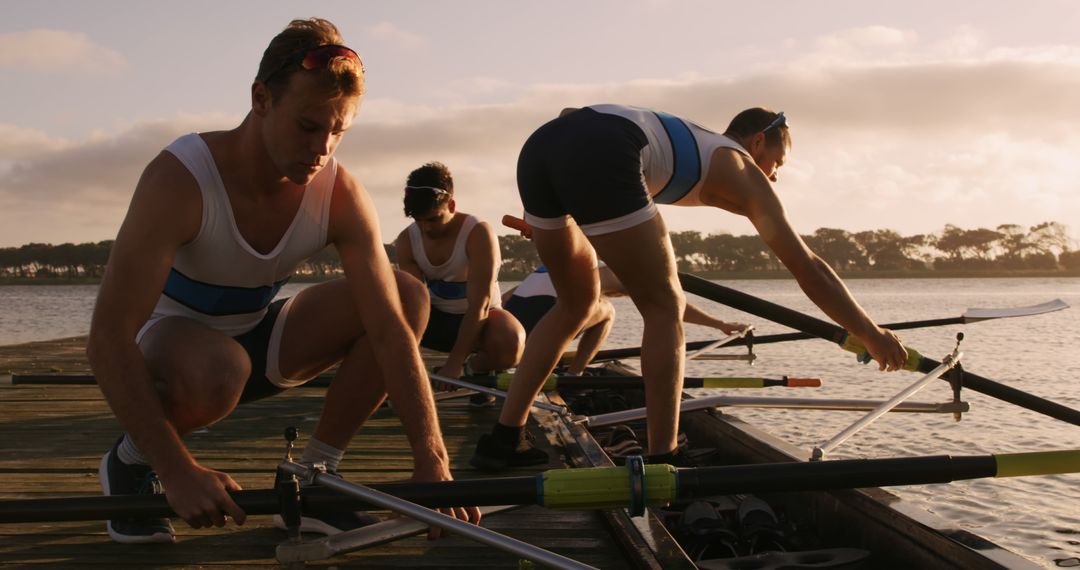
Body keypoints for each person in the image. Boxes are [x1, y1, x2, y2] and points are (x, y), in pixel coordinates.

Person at [86, 18, 479, 544]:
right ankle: (130, 462)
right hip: (170, 341)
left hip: (256, 335)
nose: (323, 149)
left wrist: (433, 460)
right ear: (261, 99)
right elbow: (107, 338)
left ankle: (317, 475)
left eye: (339, 131)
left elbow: (389, 331)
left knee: (406, 296)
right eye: (309, 126)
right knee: (221, 369)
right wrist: (178, 471)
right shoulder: (180, 177)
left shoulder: (340, 194)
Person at [469, 104, 908, 472]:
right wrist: (871, 333)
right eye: (777, 164)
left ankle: (504, 440)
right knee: (665, 305)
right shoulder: (739, 166)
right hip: (603, 149)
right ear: (757, 143)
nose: (774, 178)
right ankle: (664, 458)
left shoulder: (696, 144)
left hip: (543, 147)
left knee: (576, 303)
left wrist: (573, 208)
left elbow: (573, 122)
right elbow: (808, 268)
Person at [394, 162, 525, 404]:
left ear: (451, 205)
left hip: (482, 320)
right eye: (417, 220)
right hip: (436, 320)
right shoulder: (406, 240)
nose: (425, 228)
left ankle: (475, 368)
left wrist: (453, 365)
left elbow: (480, 306)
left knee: (512, 345)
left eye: (433, 219)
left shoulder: (478, 233)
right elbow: (413, 306)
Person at [502, 262, 748, 375]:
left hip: (510, 329)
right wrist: (721, 324)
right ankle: (575, 374)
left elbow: (503, 300)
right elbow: (670, 305)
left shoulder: (548, 266)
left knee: (584, 305)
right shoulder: (607, 270)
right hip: (541, 322)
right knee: (607, 311)